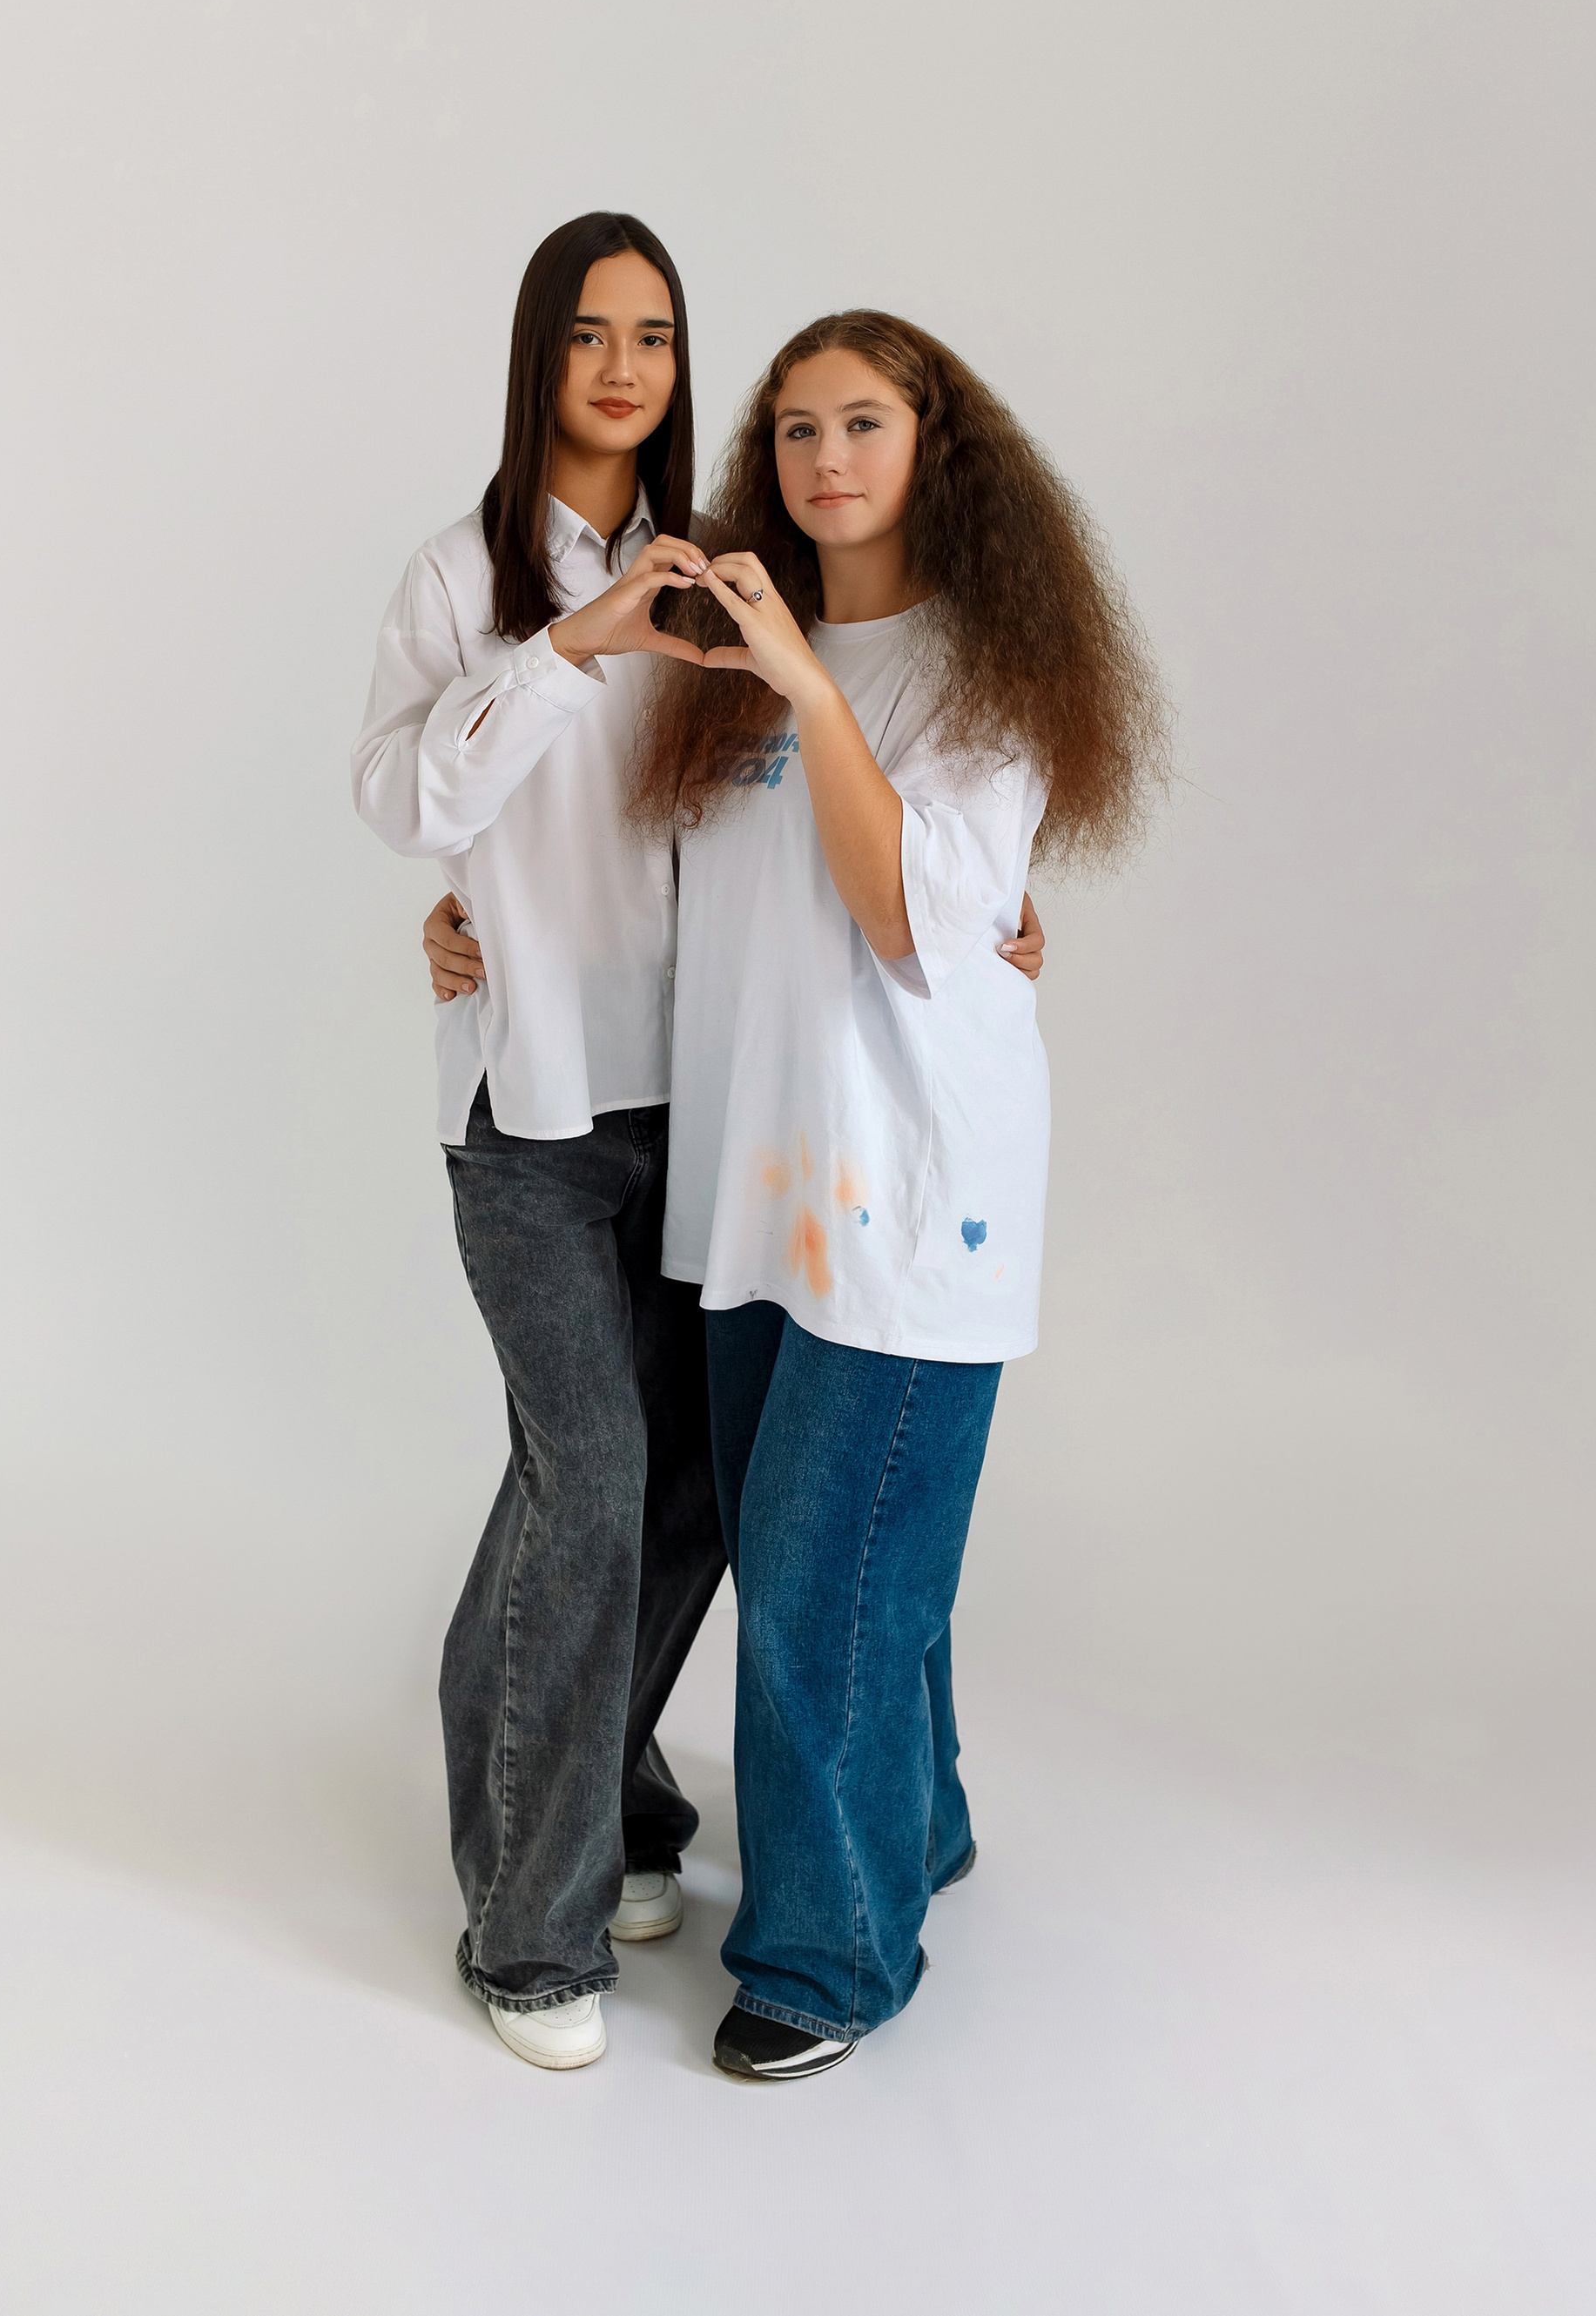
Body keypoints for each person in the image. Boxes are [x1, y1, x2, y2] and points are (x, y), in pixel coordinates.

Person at [623, 310, 1167, 2080]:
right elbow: (681, 903)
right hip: (757, 1193)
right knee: (852, 1567)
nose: (824, 458)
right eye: (794, 428)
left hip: (921, 1198)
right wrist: (466, 916)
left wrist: (806, 682)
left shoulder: (983, 668)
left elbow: (900, 914)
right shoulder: (723, 658)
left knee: (817, 1587)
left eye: (862, 422)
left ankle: (828, 1955)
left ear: (938, 447)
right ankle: (912, 1824)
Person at [351, 212, 731, 2073]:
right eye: (591, 332)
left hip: (707, 1100)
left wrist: (989, 905)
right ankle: (530, 1924)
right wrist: (576, 640)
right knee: (589, 1475)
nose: (624, 366)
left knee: (683, 1484)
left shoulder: (718, 572)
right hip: (532, 1110)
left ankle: (615, 1798)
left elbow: (791, 799)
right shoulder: (458, 574)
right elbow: (404, 796)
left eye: (652, 334)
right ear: (541, 354)